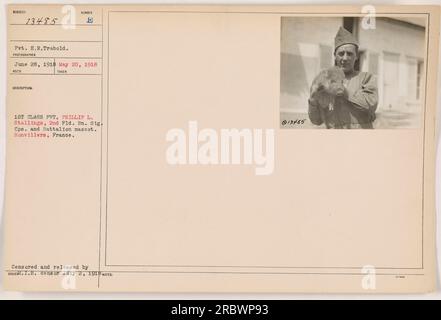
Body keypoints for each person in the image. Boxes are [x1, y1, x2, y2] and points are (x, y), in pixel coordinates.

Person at [308, 27, 378, 129]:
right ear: (335, 56)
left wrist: (345, 92)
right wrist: (313, 100)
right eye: (341, 54)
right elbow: (316, 120)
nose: (345, 58)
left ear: (356, 56)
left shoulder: (366, 78)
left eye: (349, 54)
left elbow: (370, 105)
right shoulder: (325, 80)